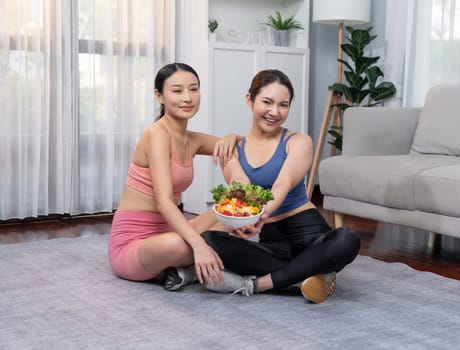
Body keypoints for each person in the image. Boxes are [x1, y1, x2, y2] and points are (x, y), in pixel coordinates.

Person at [201, 69, 361, 303]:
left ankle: (259, 284)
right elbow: (242, 189)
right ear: (249, 99)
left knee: (347, 240)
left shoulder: (298, 142)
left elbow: (282, 185)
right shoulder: (232, 150)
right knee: (210, 239)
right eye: (267, 102)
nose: (274, 112)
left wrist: (259, 216)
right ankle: (311, 271)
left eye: (283, 105)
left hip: (308, 234)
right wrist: (245, 221)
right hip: (273, 245)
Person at [108, 62, 237, 290]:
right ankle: (196, 261)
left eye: (194, 89)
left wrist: (231, 136)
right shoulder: (156, 135)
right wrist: (197, 243)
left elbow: (245, 146)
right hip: (134, 244)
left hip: (171, 229)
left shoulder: (192, 139)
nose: (187, 97)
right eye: (177, 91)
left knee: (230, 216)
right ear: (159, 95)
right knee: (179, 244)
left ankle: (183, 272)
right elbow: (164, 201)